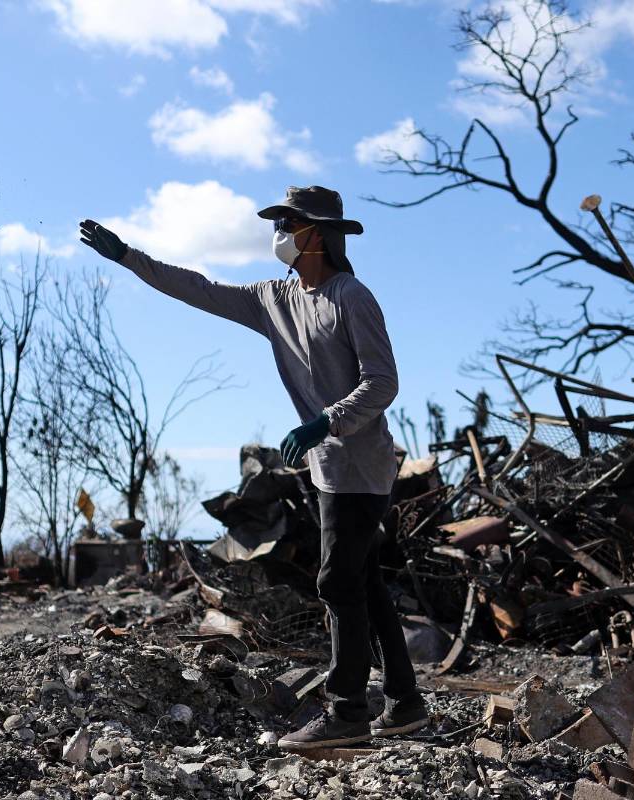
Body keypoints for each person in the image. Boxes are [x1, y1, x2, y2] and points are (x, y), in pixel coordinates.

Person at [79, 185, 429, 750]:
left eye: (288, 224)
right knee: (361, 579)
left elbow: (382, 382)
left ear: (317, 234)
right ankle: (405, 702)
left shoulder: (351, 297)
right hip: (326, 470)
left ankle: (346, 710)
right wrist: (128, 257)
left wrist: (325, 422)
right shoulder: (275, 299)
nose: (279, 234)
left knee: (336, 580)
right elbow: (200, 289)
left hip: (361, 466)